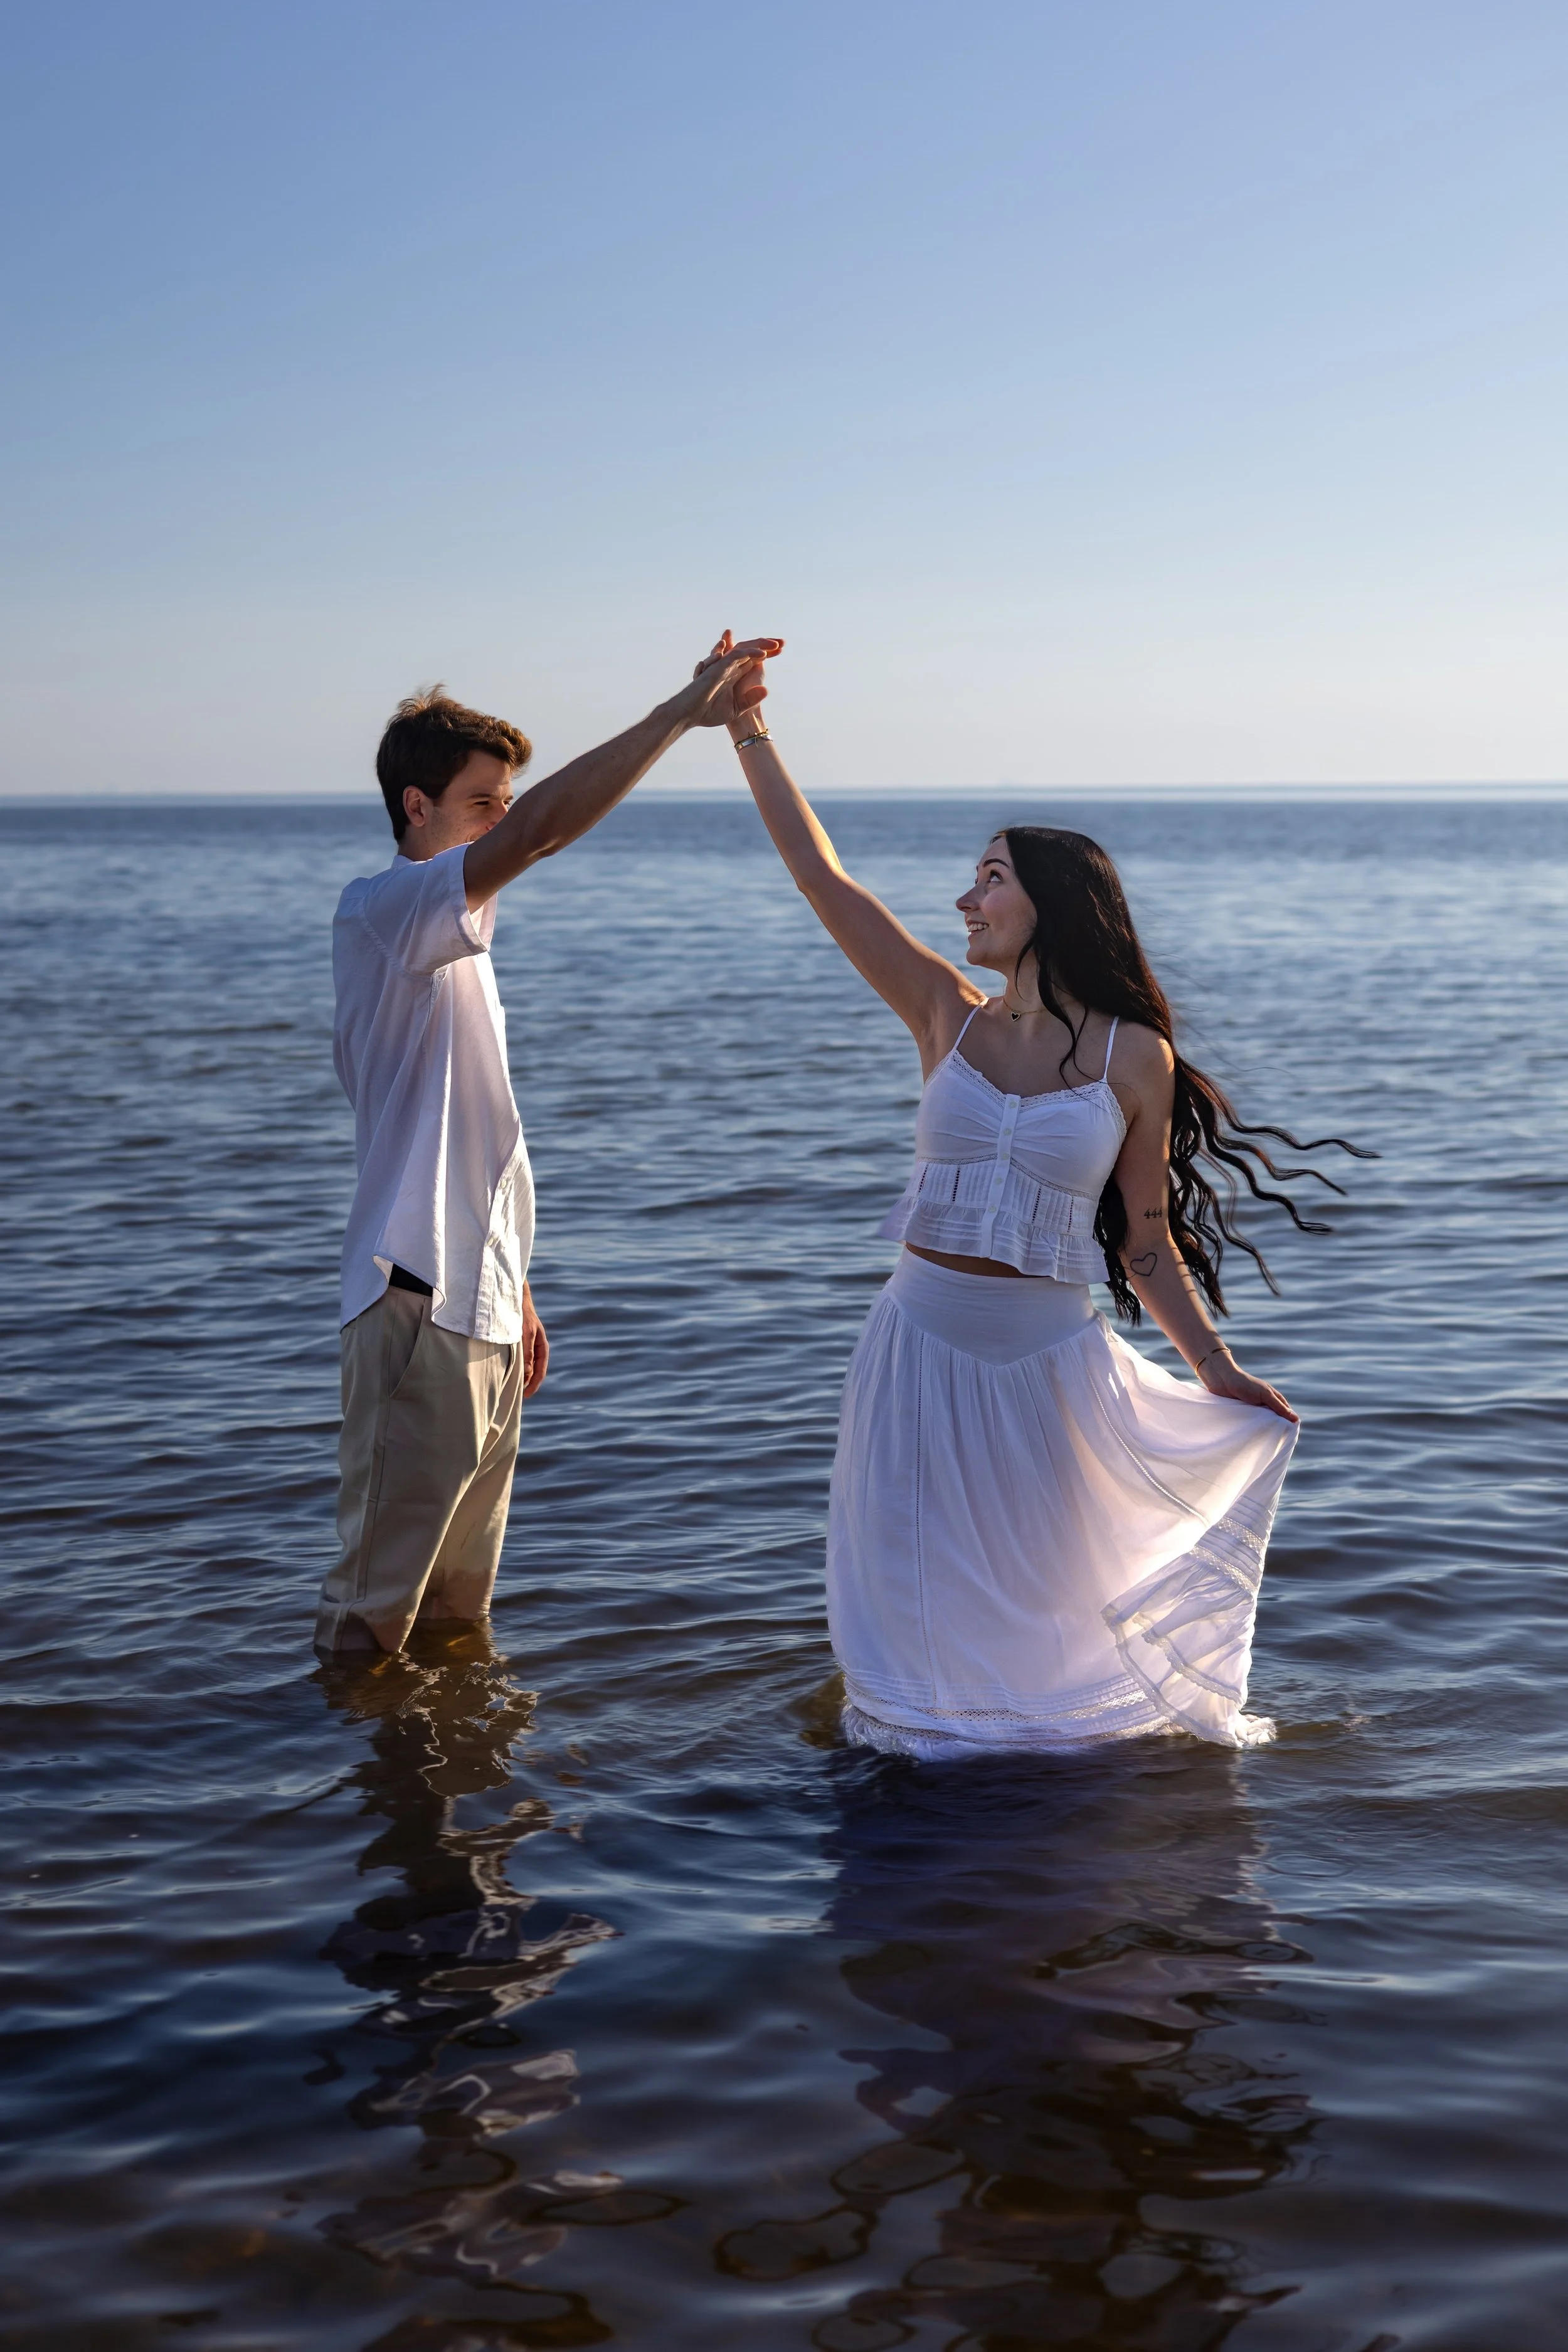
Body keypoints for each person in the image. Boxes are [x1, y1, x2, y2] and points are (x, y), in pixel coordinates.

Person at [710, 637, 1362, 1751]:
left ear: (1051, 903)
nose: (966, 896)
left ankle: (1048, 1829)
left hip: (1047, 1371)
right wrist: (746, 730)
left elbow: (1146, 1244)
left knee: (1043, 1609)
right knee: (911, 1613)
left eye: (991, 877)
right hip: (915, 1347)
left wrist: (1220, 1371)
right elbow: (824, 879)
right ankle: (922, 1811)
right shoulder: (943, 1015)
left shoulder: (1132, 1058)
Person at [315, 635, 781, 1658]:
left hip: (476, 1306)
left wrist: (515, 1287)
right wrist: (679, 713)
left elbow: (474, 1128)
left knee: (456, 1623)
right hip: (414, 1300)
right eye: (485, 802)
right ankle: (358, 1810)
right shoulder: (385, 909)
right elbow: (543, 835)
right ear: (416, 808)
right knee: (372, 1620)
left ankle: (452, 1810)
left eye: (504, 802)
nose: (506, 821)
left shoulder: (457, 938)